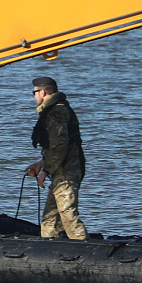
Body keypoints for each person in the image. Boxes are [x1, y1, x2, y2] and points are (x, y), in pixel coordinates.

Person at [24, 76, 88, 240]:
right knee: (50, 220)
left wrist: (46, 170)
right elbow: (56, 148)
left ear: (42, 92)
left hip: (67, 172)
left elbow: (60, 146)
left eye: (34, 93)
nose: (34, 96)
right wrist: (41, 163)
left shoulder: (57, 112)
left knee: (68, 216)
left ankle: (85, 247)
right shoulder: (53, 110)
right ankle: (49, 247)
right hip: (61, 170)